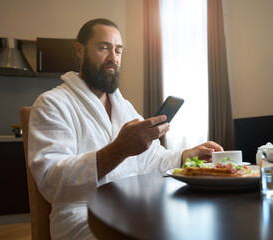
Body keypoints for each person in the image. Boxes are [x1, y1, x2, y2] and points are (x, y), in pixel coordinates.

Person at [28, 18, 223, 240]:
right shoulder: (52, 104)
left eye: (118, 50)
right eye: (103, 48)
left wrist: (186, 156)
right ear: (80, 50)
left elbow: (151, 160)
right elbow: (50, 180)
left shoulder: (124, 107)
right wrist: (119, 149)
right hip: (83, 216)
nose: (113, 58)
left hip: (132, 209)